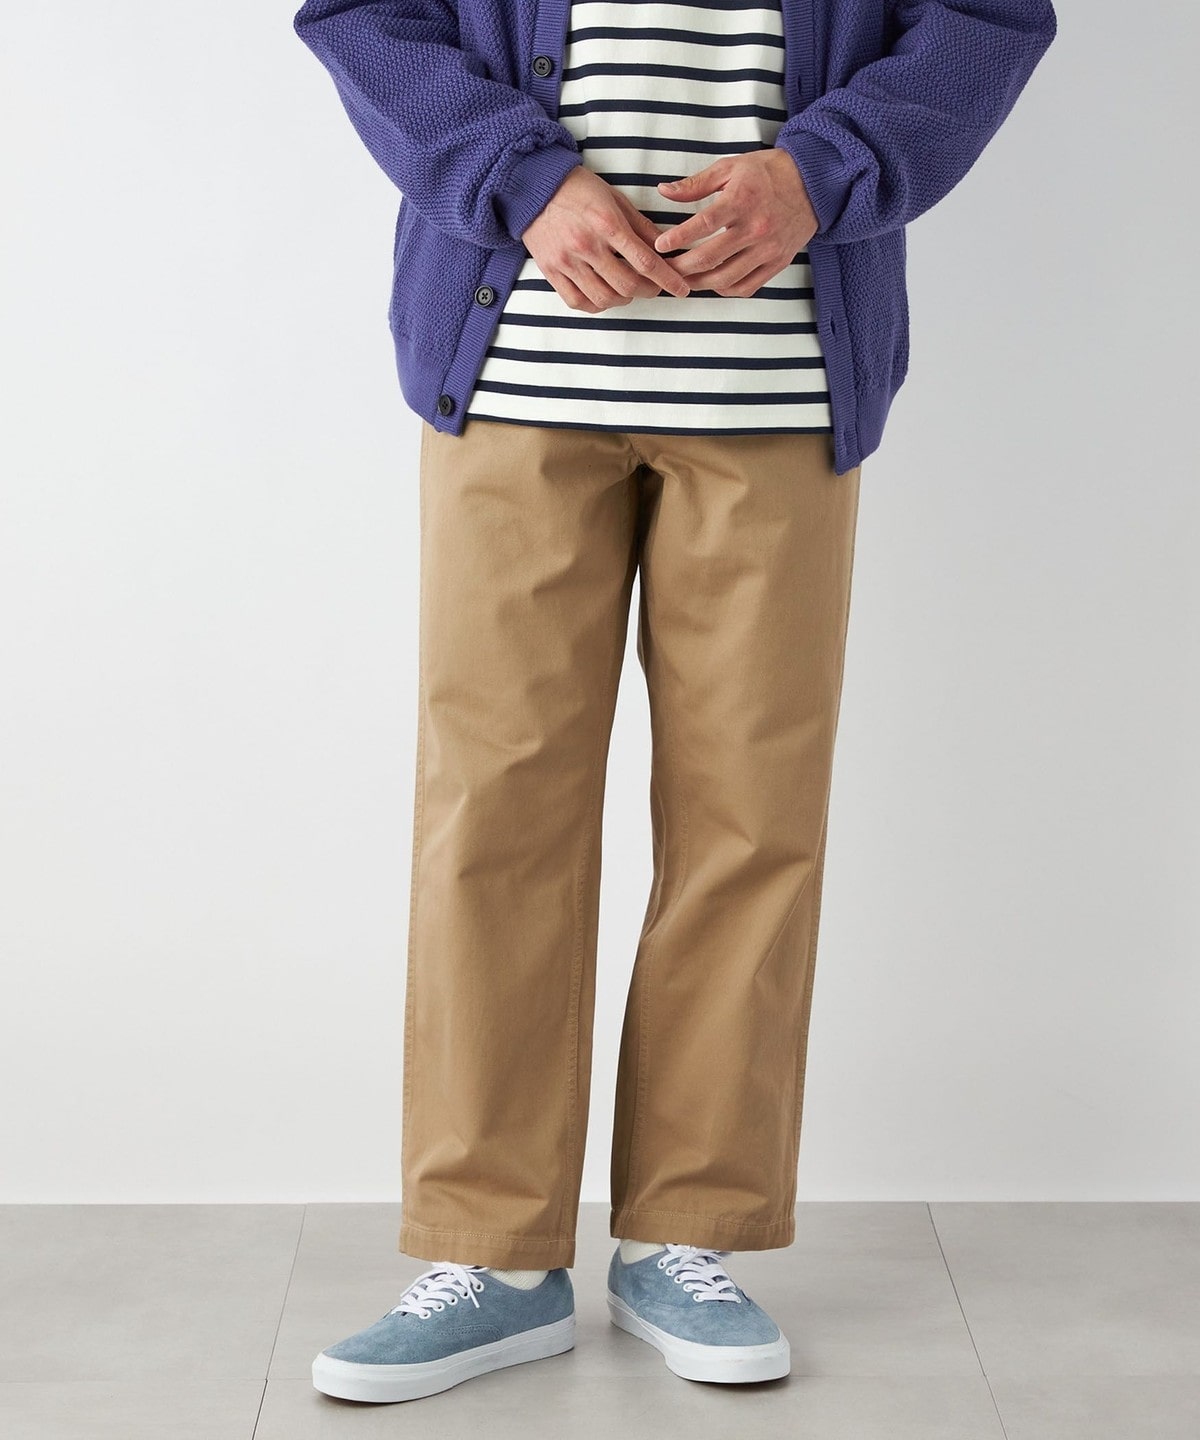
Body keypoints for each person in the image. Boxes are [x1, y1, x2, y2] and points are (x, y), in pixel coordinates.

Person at [292, 0, 1057, 1404]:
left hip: (778, 383)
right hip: (516, 365)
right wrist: (520, 178)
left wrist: (822, 169)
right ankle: (492, 1254)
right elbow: (361, 12)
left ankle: (686, 1233)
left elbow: (991, 16)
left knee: (749, 826)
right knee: (493, 817)